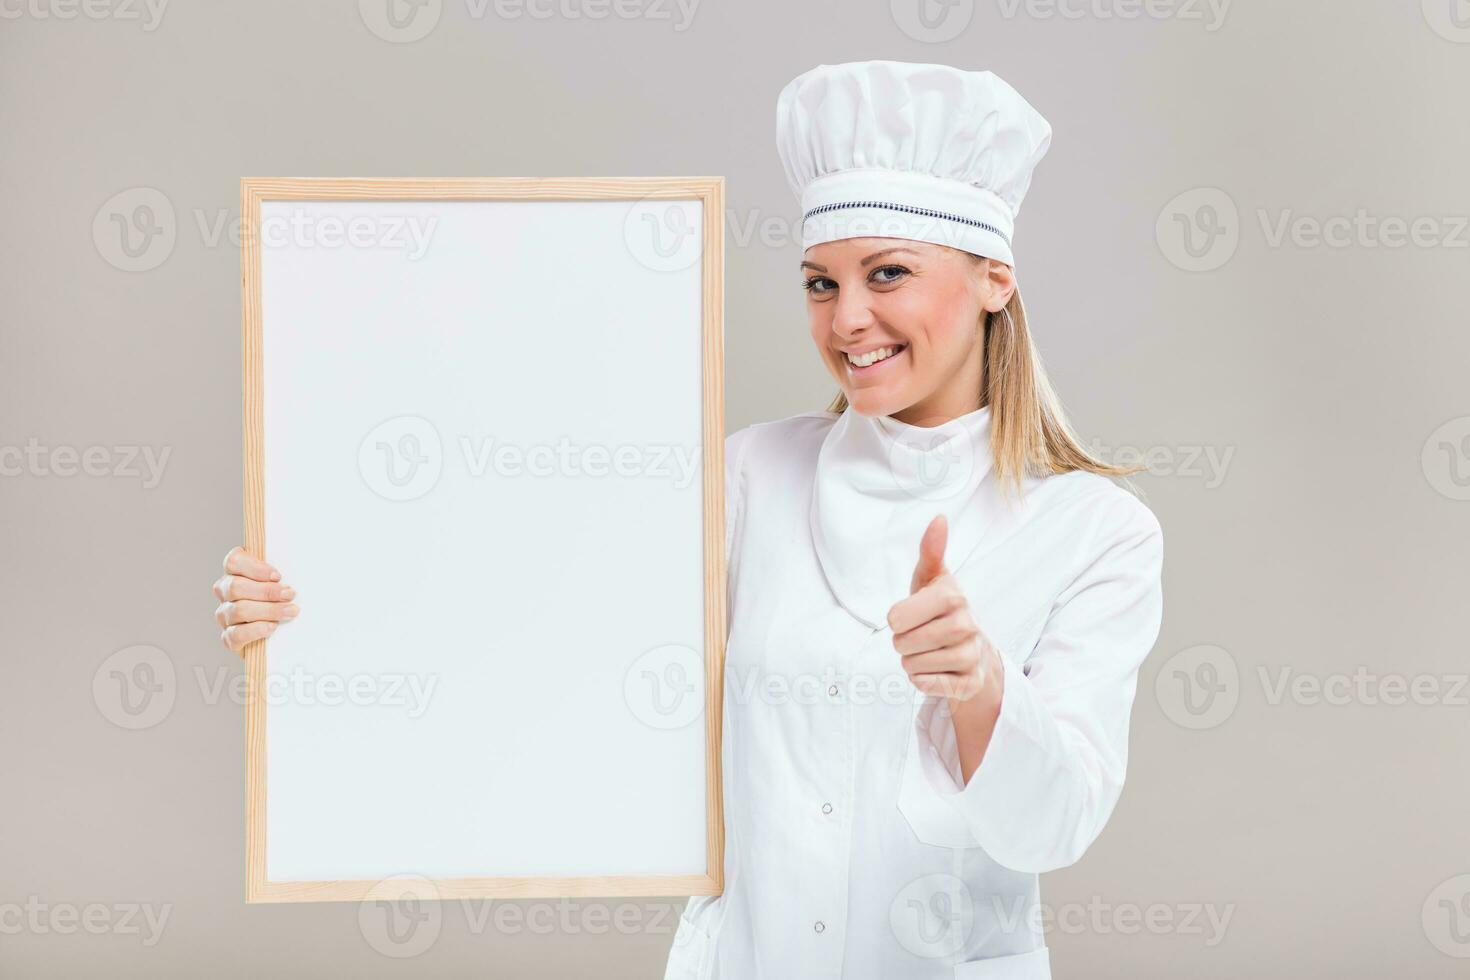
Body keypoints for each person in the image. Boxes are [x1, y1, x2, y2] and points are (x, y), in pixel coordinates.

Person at [211, 59, 1164, 980]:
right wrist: (306, 614)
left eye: (887, 273)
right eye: (820, 283)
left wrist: (980, 687)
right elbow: (529, 628)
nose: (846, 322)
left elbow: (1058, 823)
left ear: (996, 277)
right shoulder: (747, 478)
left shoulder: (1094, 531)